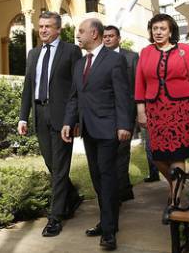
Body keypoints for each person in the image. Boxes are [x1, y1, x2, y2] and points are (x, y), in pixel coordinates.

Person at [62, 18, 132, 251]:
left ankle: (110, 232)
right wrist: (68, 122)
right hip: (88, 130)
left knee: (108, 177)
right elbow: (74, 97)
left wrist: (124, 125)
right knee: (98, 180)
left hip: (109, 129)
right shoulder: (80, 64)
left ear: (94, 33)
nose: (77, 35)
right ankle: (106, 221)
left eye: (80, 31)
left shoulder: (115, 59)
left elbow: (123, 95)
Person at [18, 11, 83, 237]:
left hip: (62, 118)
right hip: (40, 114)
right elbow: (28, 87)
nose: (43, 30)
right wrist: (23, 116)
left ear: (57, 29)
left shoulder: (71, 51)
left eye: (48, 26)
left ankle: (55, 217)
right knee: (51, 164)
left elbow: (78, 89)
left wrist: (74, 120)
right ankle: (72, 197)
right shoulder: (33, 53)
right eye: (41, 26)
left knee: (60, 166)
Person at [134, 14, 189, 204]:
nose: (158, 32)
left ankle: (174, 197)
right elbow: (140, 83)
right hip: (155, 109)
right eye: (155, 28)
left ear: (171, 30)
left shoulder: (186, 50)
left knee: (177, 154)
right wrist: (141, 110)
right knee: (157, 155)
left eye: (162, 28)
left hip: (180, 108)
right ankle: (178, 181)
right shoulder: (146, 52)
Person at [102, 25, 141, 201]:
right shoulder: (98, 57)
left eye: (111, 36)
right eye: (105, 36)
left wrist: (138, 109)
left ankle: (123, 190)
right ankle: (120, 189)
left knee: (122, 150)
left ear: (118, 38)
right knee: (109, 152)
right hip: (105, 112)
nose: (107, 39)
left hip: (126, 111)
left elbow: (139, 84)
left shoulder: (131, 57)